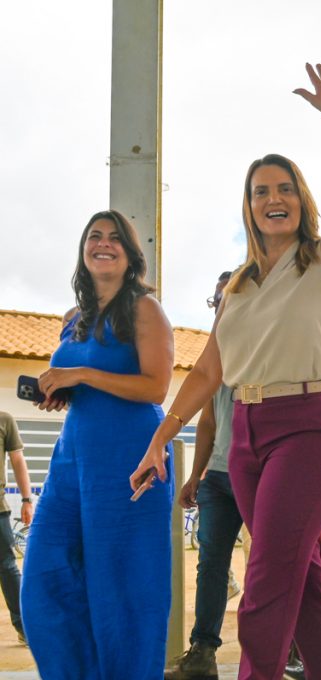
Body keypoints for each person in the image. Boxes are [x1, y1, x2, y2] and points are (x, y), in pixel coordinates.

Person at [133, 63, 321, 680]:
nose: (274, 199)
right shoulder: (238, 287)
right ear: (248, 208)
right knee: (301, 580)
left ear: (302, 200)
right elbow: (206, 372)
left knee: (268, 578)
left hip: (314, 426)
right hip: (245, 435)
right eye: (261, 192)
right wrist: (160, 438)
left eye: (285, 189)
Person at [21, 210, 176, 678]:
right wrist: (63, 391)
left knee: (124, 591)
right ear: (83, 249)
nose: (103, 243)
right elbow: (82, 383)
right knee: (44, 578)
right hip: (72, 462)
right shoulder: (73, 318)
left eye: (114, 238)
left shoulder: (145, 309)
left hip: (130, 458)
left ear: (130, 255)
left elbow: (156, 387)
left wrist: (83, 374)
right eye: (95, 236)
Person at [165, 270, 245, 680]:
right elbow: (209, 422)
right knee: (211, 563)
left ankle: (291, 646)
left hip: (264, 473)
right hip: (218, 476)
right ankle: (203, 652)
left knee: (276, 562)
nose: (221, 307)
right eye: (217, 300)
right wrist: (196, 474)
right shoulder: (216, 355)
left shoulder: (270, 344)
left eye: (228, 297)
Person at [1, 412, 32, 645]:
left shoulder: (4, 420)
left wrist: (26, 499)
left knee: (7, 567)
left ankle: (25, 626)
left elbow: (18, 459)